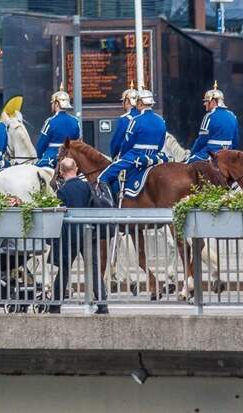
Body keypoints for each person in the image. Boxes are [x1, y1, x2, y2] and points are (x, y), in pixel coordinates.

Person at [48, 158, 108, 315]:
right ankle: (102, 304)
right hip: (88, 233)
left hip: (70, 235)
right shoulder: (87, 186)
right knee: (94, 268)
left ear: (61, 172)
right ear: (77, 168)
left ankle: (55, 303)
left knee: (65, 269)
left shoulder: (62, 191)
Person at [97, 88, 167, 196]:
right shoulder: (161, 120)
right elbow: (161, 143)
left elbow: (127, 143)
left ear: (140, 103)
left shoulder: (136, 120)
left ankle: (110, 203)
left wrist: (121, 156)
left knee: (103, 176)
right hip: (154, 157)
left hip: (135, 156)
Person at [187, 81, 239, 163]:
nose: (204, 104)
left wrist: (192, 154)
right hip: (228, 154)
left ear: (214, 102)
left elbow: (201, 141)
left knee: (187, 164)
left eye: (207, 101)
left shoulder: (209, 116)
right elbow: (235, 141)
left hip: (210, 154)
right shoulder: (233, 116)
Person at [35, 84, 81, 169]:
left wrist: (38, 156)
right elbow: (78, 142)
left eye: (53, 103)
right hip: (71, 158)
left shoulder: (50, 121)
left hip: (52, 157)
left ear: (56, 104)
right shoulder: (75, 121)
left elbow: (42, 144)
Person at [110, 83, 139, 159]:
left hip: (130, 156)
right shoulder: (145, 117)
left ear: (127, 101)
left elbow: (117, 142)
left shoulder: (125, 119)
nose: (122, 104)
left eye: (123, 101)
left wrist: (114, 155)